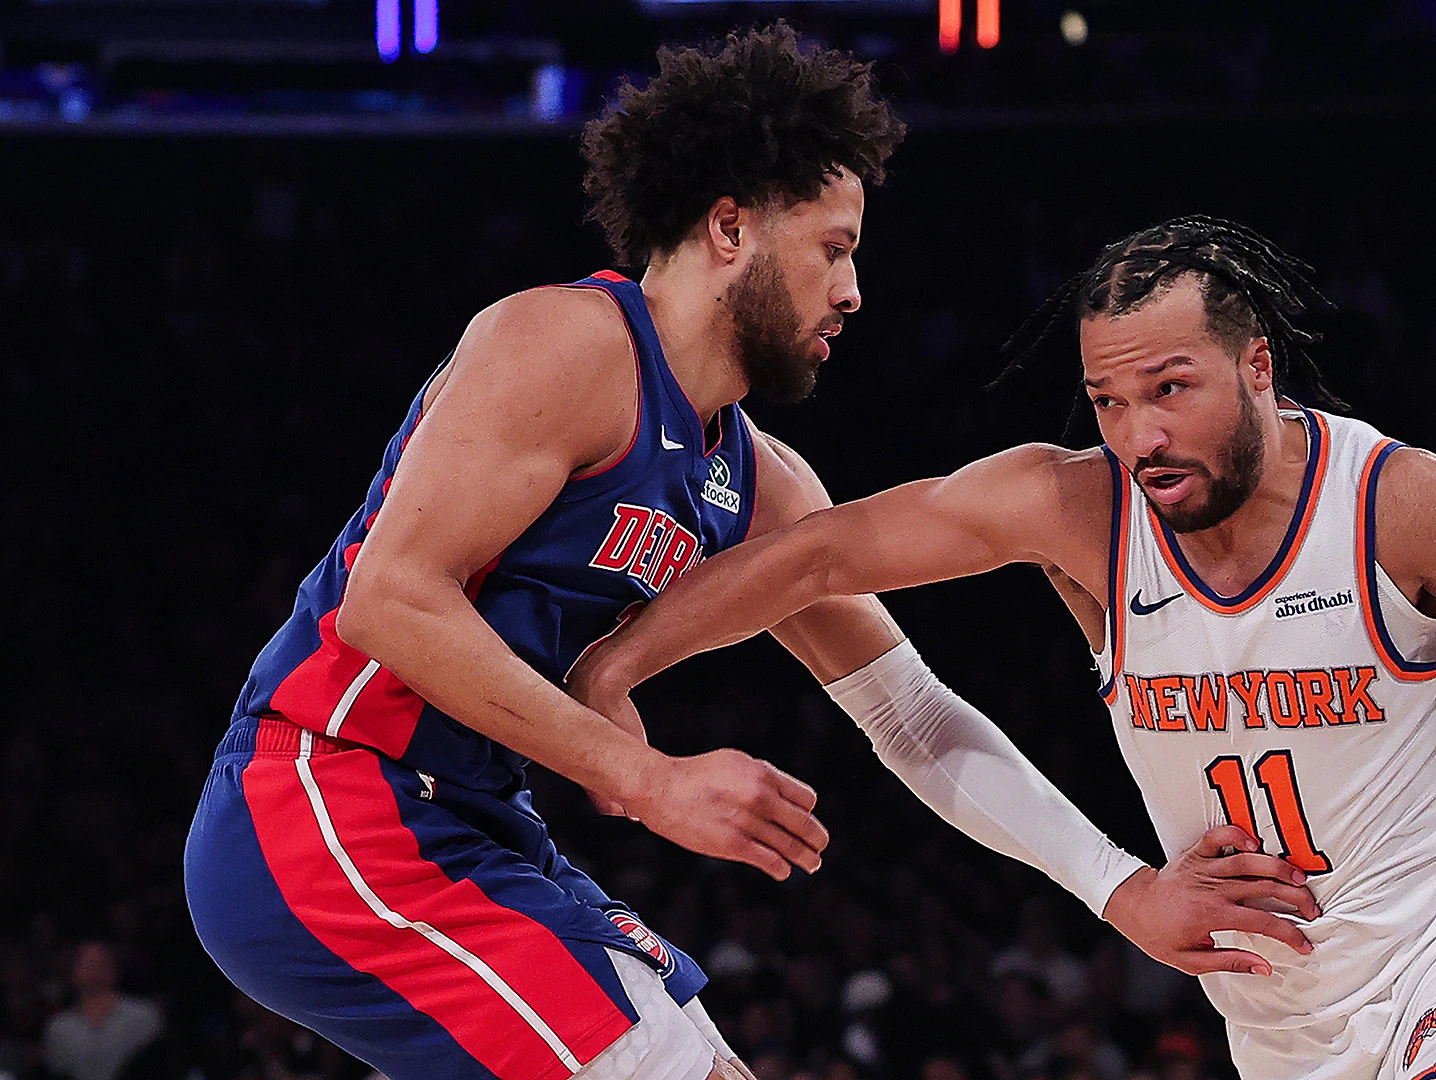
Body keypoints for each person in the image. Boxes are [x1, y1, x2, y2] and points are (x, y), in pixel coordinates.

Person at [183, 29, 1283, 1080]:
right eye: (833, 247)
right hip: (325, 790)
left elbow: (911, 714)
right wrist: (642, 777)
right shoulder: (567, 342)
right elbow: (388, 601)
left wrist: (1120, 889)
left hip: (472, 820)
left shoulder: (758, 481)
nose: (852, 290)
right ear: (729, 229)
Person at [565, 216, 1436, 1080]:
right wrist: (614, 669)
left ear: (1257, 365)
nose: (1141, 435)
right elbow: (818, 556)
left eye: (1172, 389)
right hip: (1279, 1025)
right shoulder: (1076, 509)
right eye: (1110, 401)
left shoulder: (1402, 505)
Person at [42, 942, 163, 1080]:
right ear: (72, 971)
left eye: (102, 962)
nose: (96, 969)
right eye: (88, 963)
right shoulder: (59, 1027)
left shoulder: (144, 1015)